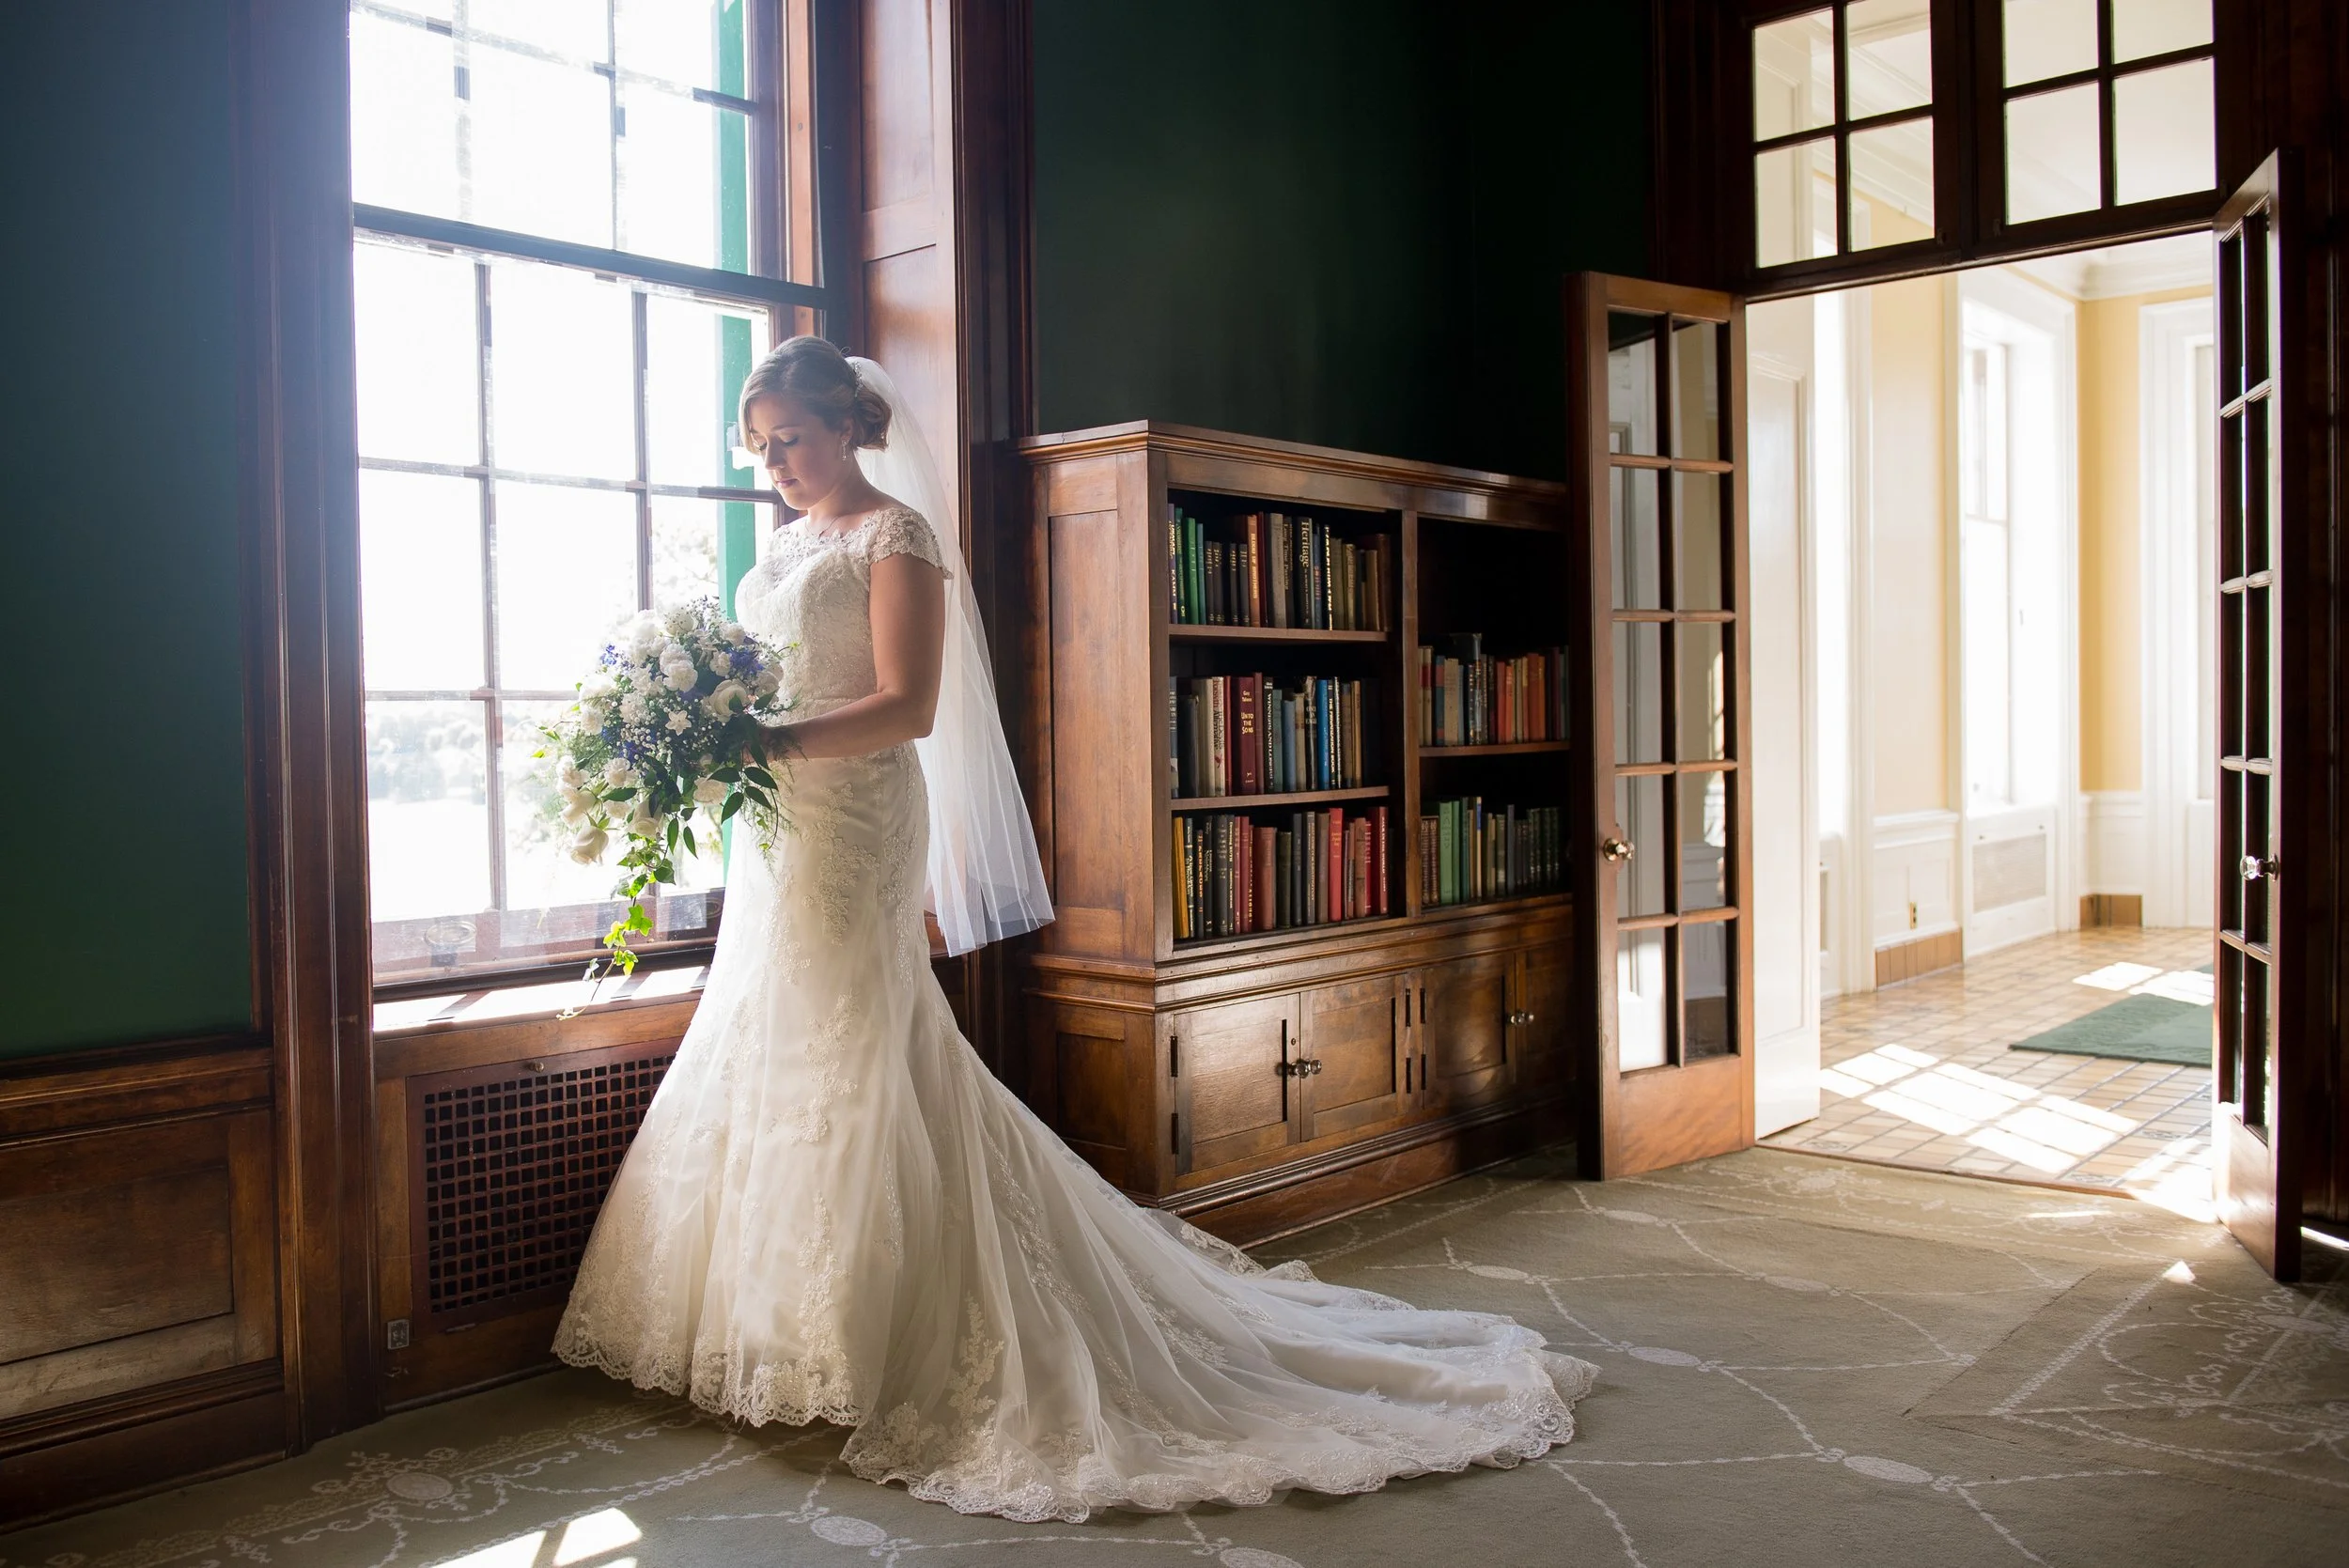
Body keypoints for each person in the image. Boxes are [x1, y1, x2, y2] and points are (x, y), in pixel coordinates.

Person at [553, 336, 1595, 1523]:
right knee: (779, 1032)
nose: (776, 463)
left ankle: (890, 1330)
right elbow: (779, 680)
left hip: (856, 821)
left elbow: (904, 704)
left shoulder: (897, 537)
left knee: (859, 1039)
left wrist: (757, 743)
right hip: (781, 829)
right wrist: (713, 734)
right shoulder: (783, 546)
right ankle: (779, 1327)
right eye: (761, 447)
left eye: (790, 437)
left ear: (848, 425)